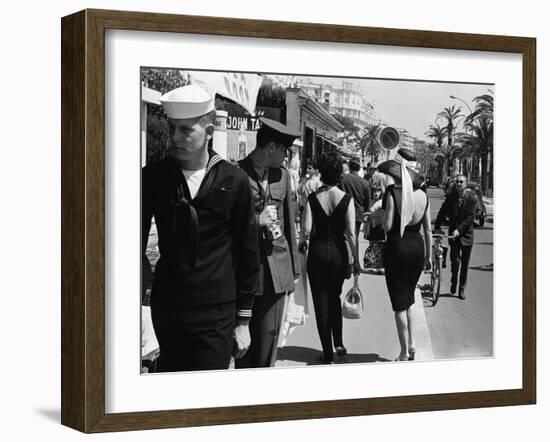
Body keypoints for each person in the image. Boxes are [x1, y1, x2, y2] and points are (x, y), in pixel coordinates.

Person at [142, 84, 260, 372]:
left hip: (216, 312)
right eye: (172, 128)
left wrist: (243, 321)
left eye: (185, 130)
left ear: (209, 132)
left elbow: (248, 254)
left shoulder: (234, 180)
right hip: (168, 308)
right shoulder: (153, 178)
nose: (175, 137)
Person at [235, 117, 301, 369]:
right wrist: (255, 221)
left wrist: (294, 272)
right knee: (242, 345)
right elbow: (228, 225)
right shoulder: (237, 173)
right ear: (271, 147)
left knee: (269, 340)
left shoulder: (282, 177)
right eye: (284, 150)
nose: (286, 157)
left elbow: (289, 225)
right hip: (247, 273)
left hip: (277, 272)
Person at [299, 151, 360, 364]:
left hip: (317, 253)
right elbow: (351, 233)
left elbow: (306, 230)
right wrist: (356, 260)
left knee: (320, 302)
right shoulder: (346, 199)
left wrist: (301, 245)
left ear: (322, 174)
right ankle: (339, 343)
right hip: (338, 254)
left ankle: (326, 352)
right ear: (338, 175)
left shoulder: (313, 198)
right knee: (334, 297)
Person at [378, 148, 431, 361]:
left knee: (399, 303)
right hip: (417, 248)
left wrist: (379, 218)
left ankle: (403, 351)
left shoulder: (392, 193)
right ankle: (413, 344)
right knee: (409, 299)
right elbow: (427, 230)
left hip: (397, 249)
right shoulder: (423, 196)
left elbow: (388, 225)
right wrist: (427, 257)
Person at [434, 174, 478, 299]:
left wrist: (459, 230)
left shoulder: (472, 199)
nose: (458, 184)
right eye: (457, 182)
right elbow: (442, 213)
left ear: (466, 184)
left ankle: (461, 289)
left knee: (464, 264)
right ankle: (454, 280)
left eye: (461, 182)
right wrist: (437, 226)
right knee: (455, 262)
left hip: (467, 236)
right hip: (454, 237)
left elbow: (470, 218)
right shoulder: (451, 198)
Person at [341, 158, 371, 248]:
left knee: (343, 237)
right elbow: (367, 202)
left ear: (349, 167)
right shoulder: (365, 183)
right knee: (354, 237)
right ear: (359, 169)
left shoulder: (342, 179)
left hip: (343, 212)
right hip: (358, 214)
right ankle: (355, 259)